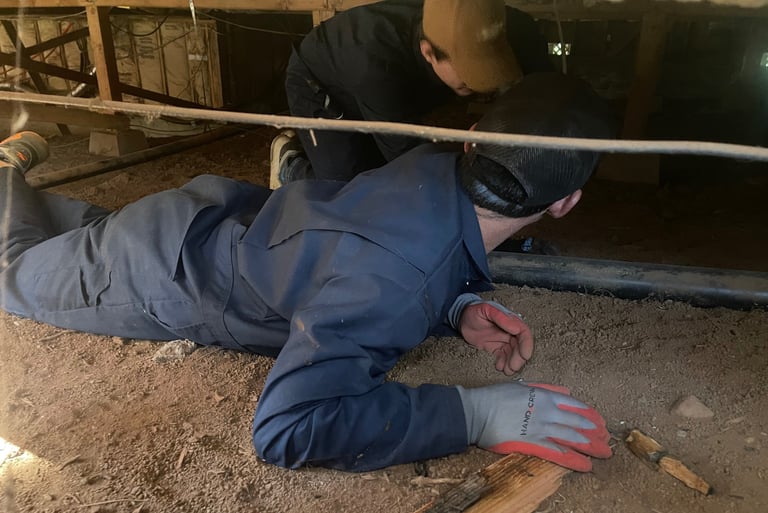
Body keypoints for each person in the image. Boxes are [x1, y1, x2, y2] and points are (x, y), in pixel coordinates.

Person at [0, 73, 615, 473]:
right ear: (565, 202)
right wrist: (472, 416)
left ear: (471, 138)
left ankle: (26, 191)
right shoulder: (395, 281)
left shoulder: (429, 161)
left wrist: (454, 308)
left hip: (202, 219)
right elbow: (289, 428)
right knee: (14, 273)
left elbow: (393, 252)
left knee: (76, 236)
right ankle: (7, 166)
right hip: (160, 272)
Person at [272, 0, 553, 185]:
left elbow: (541, 85)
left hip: (375, 91)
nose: (479, 84)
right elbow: (407, 158)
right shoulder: (378, 65)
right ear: (428, 52)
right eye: (468, 73)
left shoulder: (492, 25)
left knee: (377, 171)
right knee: (347, 189)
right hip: (317, 83)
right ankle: (291, 165)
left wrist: (505, 122)